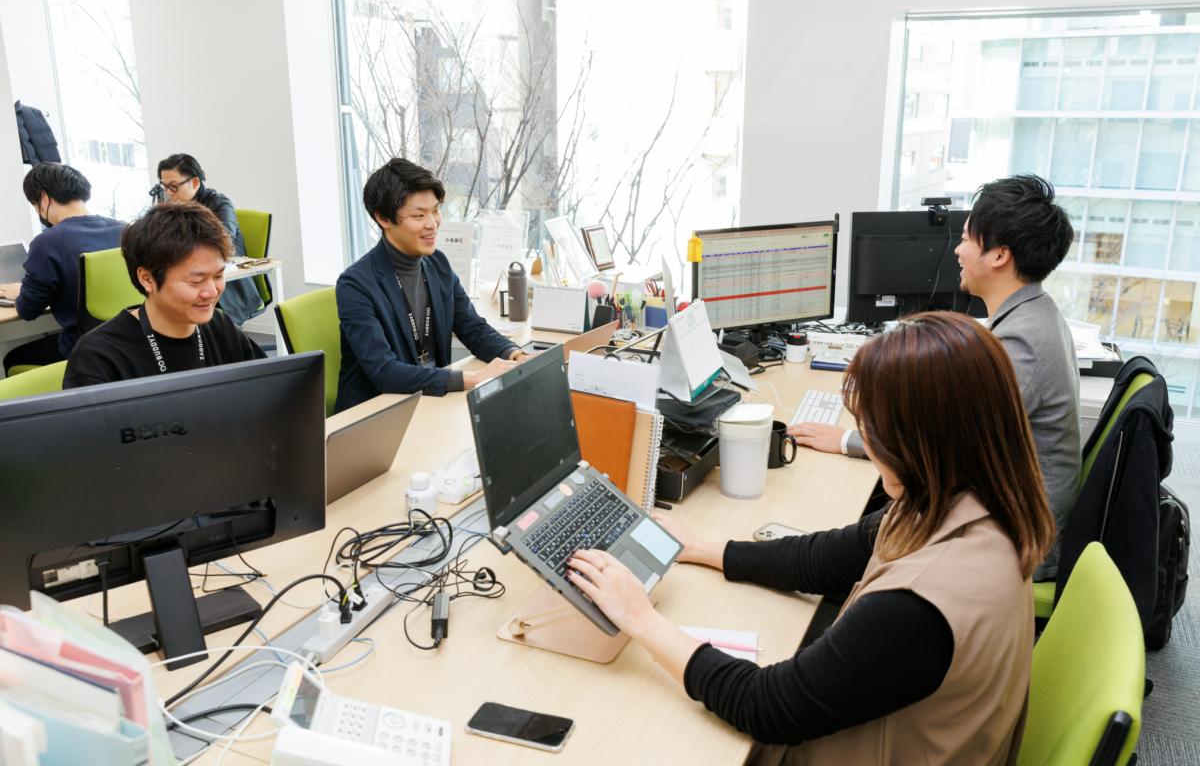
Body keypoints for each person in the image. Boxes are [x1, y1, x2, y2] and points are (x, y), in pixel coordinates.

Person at [568, 312, 1054, 763]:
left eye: (871, 427)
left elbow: (764, 706)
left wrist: (640, 617)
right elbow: (826, 558)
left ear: (917, 441)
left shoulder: (919, 606)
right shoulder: (968, 501)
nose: (867, 440)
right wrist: (703, 549)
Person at [790, 173, 1079, 580]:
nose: (957, 251)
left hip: (1016, 542)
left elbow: (947, 450)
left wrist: (846, 440)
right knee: (858, 522)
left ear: (999, 255)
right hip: (1006, 512)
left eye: (966, 239)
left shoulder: (1021, 344)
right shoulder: (1033, 314)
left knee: (850, 528)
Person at [335, 158, 523, 411]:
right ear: (383, 218)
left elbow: (473, 328)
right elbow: (384, 371)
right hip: (378, 412)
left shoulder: (437, 264)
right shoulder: (355, 285)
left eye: (435, 211)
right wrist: (474, 378)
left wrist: (515, 354)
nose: (432, 224)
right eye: (419, 215)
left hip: (430, 400)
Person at [64, 202, 265, 388]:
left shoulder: (220, 327)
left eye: (218, 276)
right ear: (147, 279)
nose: (212, 292)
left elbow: (267, 391)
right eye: (196, 281)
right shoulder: (98, 357)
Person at [0, 163, 123, 374]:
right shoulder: (125, 229)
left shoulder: (48, 242)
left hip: (82, 351)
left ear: (44, 198)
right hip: (127, 344)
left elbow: (27, 310)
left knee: (13, 358)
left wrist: (21, 291)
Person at [155, 153, 262, 325]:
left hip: (226, 284)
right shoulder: (171, 208)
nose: (168, 192)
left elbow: (223, 241)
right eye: (164, 186)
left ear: (195, 182)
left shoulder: (219, 204)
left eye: (174, 186)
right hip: (189, 277)